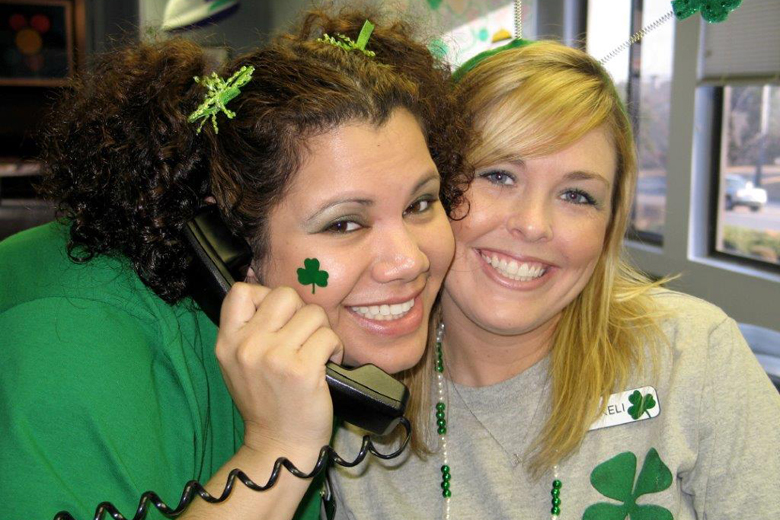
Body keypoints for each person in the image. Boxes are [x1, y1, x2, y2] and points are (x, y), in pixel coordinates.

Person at [0, 9, 471, 520]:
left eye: (420, 204)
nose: (409, 261)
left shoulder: (301, 335)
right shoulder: (75, 339)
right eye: (344, 224)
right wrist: (278, 448)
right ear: (228, 240)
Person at [329, 40, 780, 519]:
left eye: (577, 196)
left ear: (609, 225)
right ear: (430, 190)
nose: (533, 225)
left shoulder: (691, 355)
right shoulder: (348, 394)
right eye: (499, 176)